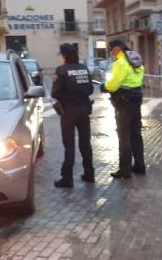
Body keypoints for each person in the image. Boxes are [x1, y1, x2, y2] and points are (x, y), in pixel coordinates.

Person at [51, 43, 94, 188]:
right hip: (84, 109)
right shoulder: (84, 68)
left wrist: (67, 97)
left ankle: (67, 179)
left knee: (69, 146)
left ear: (64, 55)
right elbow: (90, 89)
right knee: (85, 144)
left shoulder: (61, 70)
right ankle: (89, 174)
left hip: (68, 112)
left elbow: (55, 93)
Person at [100, 39, 145, 179]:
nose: (112, 53)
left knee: (124, 136)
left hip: (123, 103)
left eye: (112, 50)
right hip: (136, 101)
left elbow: (113, 85)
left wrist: (104, 86)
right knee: (136, 134)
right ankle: (139, 165)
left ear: (116, 49)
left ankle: (125, 170)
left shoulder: (120, 63)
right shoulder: (135, 60)